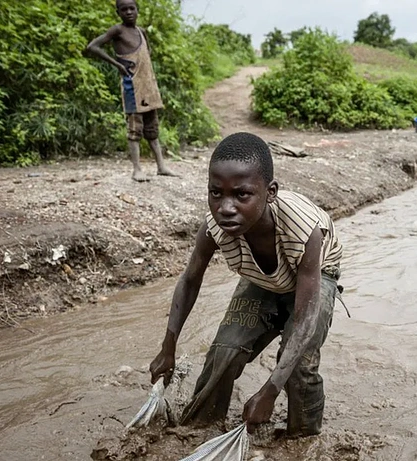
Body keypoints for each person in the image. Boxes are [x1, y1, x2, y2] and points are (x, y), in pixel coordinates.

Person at [148, 132, 343, 437]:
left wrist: (269, 391)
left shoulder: (303, 229)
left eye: (241, 195)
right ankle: (199, 427)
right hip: (262, 279)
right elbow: (189, 280)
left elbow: (304, 320)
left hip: (315, 276)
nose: (226, 207)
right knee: (224, 351)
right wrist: (167, 348)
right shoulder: (214, 228)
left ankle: (302, 438)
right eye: (216, 193)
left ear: (270, 192)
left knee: (299, 366)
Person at [85, 0, 177, 182]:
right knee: (134, 129)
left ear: (137, 10)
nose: (128, 12)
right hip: (132, 88)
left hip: (148, 87)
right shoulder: (117, 31)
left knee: (152, 129)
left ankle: (161, 166)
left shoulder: (141, 32)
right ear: (118, 12)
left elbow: (146, 55)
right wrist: (117, 64)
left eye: (131, 8)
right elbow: (92, 47)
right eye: (124, 9)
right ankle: (137, 170)